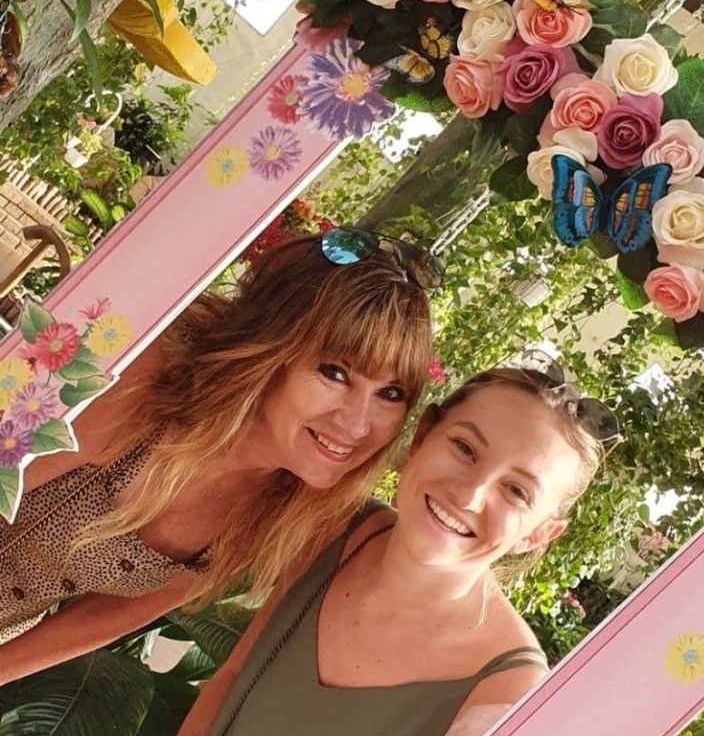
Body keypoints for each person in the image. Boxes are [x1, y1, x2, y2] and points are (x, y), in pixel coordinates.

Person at [127, 364, 618, 736]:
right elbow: (234, 674)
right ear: (423, 434)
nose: (471, 492)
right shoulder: (340, 529)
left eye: (516, 491)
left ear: (540, 533)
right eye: (465, 448)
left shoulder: (506, 685)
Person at [0, 228, 436, 683]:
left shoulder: (283, 507)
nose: (357, 424)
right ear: (272, 350)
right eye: (335, 373)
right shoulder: (146, 385)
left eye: (389, 393)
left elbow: (113, 612)